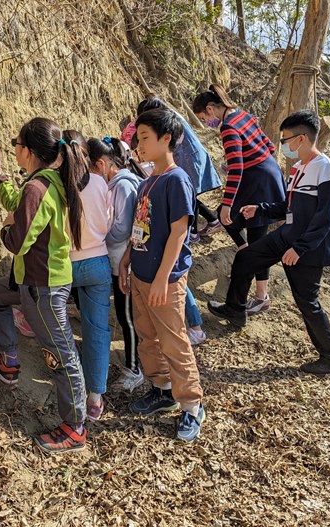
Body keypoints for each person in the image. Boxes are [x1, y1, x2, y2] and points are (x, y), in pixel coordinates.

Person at [207, 110, 330, 376]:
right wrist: (259, 210)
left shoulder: (324, 168)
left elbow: (326, 217)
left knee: (307, 301)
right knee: (246, 258)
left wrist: (300, 248)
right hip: (286, 237)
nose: (283, 145)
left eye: (286, 139)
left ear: (302, 138)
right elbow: (288, 206)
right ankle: (236, 309)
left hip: (308, 249)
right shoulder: (297, 169)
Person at [0, 117, 87, 453]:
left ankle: (75, 427)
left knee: (61, 354)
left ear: (28, 151)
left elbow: (17, 240)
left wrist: (5, 228)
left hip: (43, 288)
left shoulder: (37, 188)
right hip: (32, 282)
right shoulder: (49, 182)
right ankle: (9, 362)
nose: (13, 148)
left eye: (15, 143)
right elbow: (21, 207)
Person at [118, 108, 205, 442]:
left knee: (173, 340)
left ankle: (192, 405)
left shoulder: (176, 179)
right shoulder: (147, 181)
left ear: (166, 139)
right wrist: (127, 259)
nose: (138, 145)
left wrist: (162, 278)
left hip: (164, 280)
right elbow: (140, 227)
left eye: (144, 138)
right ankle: (163, 389)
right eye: (137, 138)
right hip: (141, 274)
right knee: (148, 336)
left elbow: (179, 232)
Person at [192, 84, 286, 316]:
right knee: (257, 238)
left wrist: (227, 202)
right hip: (270, 174)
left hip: (256, 181)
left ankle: (250, 267)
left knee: (226, 218)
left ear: (211, 108)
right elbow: (270, 146)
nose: (207, 123)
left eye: (204, 118)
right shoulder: (244, 115)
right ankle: (261, 295)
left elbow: (236, 170)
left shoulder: (228, 127)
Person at [87, 136, 145, 393]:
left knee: (126, 316)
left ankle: (134, 368)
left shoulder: (123, 186)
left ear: (100, 164)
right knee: (124, 313)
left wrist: (98, 235)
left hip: (125, 261)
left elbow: (123, 228)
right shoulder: (116, 184)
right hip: (117, 260)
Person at [122, 95, 223, 241]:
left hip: (190, 158)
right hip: (190, 157)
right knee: (190, 193)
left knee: (189, 194)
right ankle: (211, 221)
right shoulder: (170, 117)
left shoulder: (169, 122)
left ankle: (193, 232)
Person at [63, 130, 113, 421]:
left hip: (64, 265)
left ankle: (72, 385)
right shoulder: (98, 182)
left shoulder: (56, 183)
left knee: (62, 331)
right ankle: (95, 397)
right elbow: (107, 222)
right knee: (97, 330)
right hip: (97, 262)